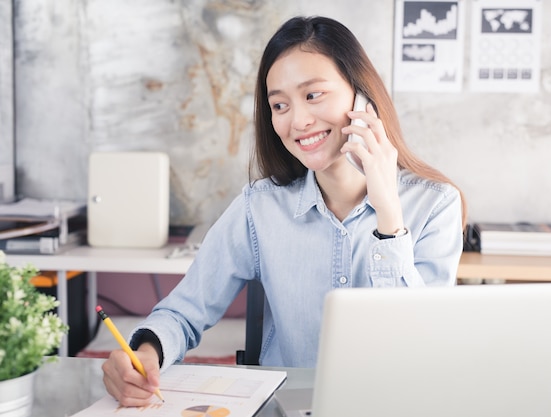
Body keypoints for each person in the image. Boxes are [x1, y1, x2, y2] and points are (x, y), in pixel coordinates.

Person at [102, 15, 466, 406]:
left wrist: (390, 217)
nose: (299, 121)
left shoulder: (435, 204)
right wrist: (144, 353)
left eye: (313, 95)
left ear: (362, 98)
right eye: (279, 104)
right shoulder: (259, 208)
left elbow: (415, 346)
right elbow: (184, 310)